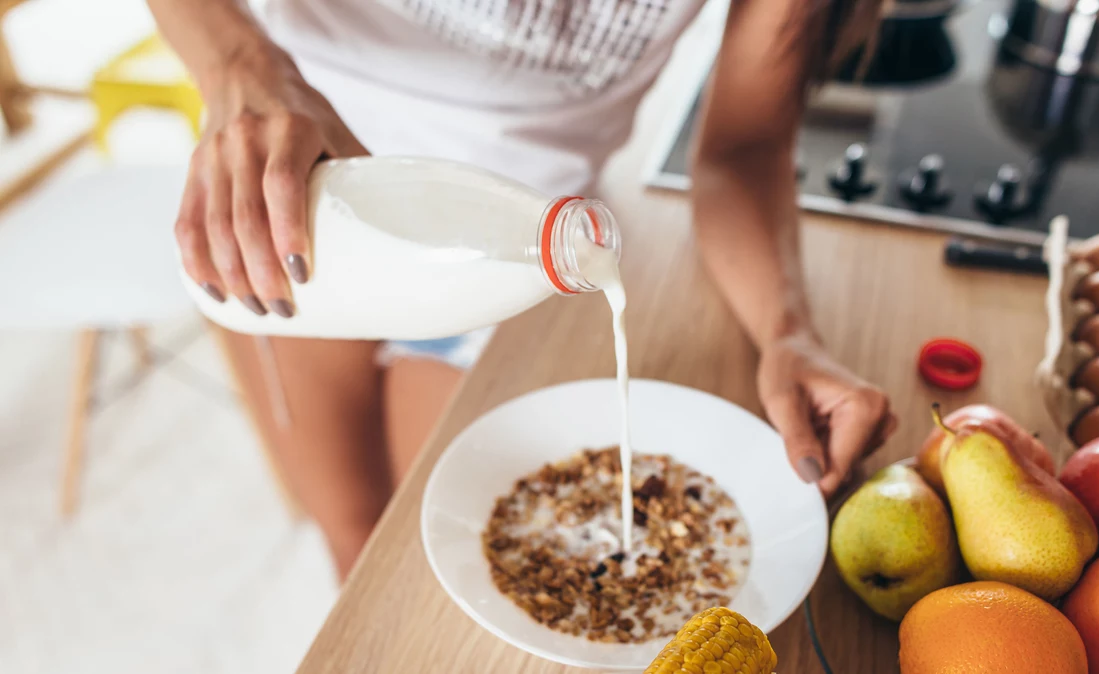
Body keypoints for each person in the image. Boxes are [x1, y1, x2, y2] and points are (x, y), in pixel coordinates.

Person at [147, 0, 898, 579]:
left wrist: (787, 332)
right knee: (348, 534)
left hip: (517, 259)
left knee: (415, 568)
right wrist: (240, 65)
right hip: (291, 204)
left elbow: (743, 148)